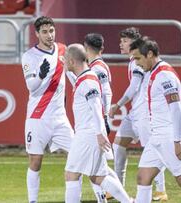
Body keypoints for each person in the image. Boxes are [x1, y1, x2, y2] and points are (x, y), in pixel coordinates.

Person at [130, 37, 181, 203]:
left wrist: (177, 140)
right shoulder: (154, 72)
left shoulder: (164, 75)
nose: (136, 63)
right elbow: (176, 104)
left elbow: (175, 108)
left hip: (169, 136)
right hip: (157, 135)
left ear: (149, 54)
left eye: (137, 58)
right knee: (143, 177)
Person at [63, 43, 132, 203]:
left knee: (72, 174)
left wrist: (100, 134)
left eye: (66, 59)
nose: (64, 62)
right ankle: (128, 201)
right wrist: (68, 74)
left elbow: (95, 108)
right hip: (90, 134)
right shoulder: (86, 78)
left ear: (72, 61)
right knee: (98, 176)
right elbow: (82, 91)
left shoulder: (88, 81)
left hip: (88, 135)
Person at [109, 27, 168, 201]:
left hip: (144, 113)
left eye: (125, 41)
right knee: (118, 145)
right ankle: (117, 188)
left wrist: (117, 105)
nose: (121, 44)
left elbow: (134, 87)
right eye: (121, 41)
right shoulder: (133, 61)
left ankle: (161, 190)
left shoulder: (137, 62)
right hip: (135, 112)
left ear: (134, 44)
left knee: (152, 149)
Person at [21, 16, 74, 203]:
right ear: (37, 34)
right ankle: (33, 201)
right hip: (38, 116)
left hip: (60, 117)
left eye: (51, 31)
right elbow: (31, 87)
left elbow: (70, 74)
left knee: (78, 156)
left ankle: (78, 198)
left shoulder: (63, 49)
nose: (49, 35)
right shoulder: (29, 56)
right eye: (44, 32)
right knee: (35, 161)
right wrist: (41, 75)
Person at [84, 33, 112, 136]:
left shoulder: (98, 68)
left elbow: (106, 92)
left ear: (86, 47)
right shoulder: (93, 66)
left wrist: (105, 116)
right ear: (102, 48)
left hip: (97, 116)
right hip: (95, 114)